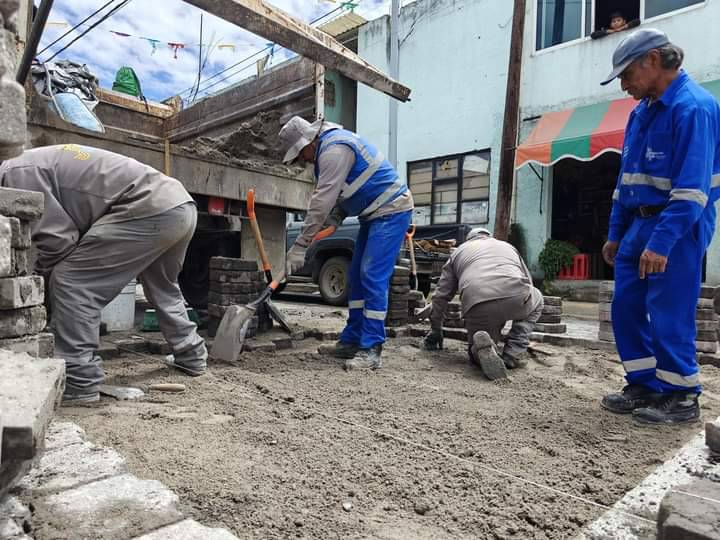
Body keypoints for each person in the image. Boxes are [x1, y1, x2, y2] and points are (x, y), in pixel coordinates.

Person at [0, 144, 208, 402]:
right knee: (162, 285)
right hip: (179, 205)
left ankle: (78, 380)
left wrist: (40, 289)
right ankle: (191, 355)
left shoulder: (15, 176)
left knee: (73, 281)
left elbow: (60, 242)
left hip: (149, 206)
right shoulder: (27, 163)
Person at [600, 29, 720, 425]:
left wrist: (664, 241)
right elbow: (626, 179)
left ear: (653, 60)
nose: (624, 85)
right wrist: (616, 233)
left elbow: (691, 190)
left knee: (669, 309)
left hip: (679, 226)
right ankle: (644, 384)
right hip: (639, 224)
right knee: (627, 306)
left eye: (627, 74)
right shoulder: (642, 112)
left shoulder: (693, 108)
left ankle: (682, 395)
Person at [278, 117, 413, 370]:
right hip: (373, 214)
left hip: (392, 210)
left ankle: (371, 348)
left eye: (299, 154)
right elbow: (349, 187)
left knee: (371, 275)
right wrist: (339, 214)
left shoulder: (334, 150)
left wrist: (300, 246)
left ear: (310, 141)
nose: (302, 161)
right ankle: (352, 340)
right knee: (357, 275)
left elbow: (320, 203)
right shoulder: (329, 148)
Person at [423, 228, 544, 380]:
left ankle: (479, 351)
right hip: (516, 294)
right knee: (537, 299)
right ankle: (513, 353)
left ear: (469, 240)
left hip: (477, 301)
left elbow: (441, 296)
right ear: (488, 236)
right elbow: (529, 282)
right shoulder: (508, 246)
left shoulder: (459, 252)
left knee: (479, 347)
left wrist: (436, 330)